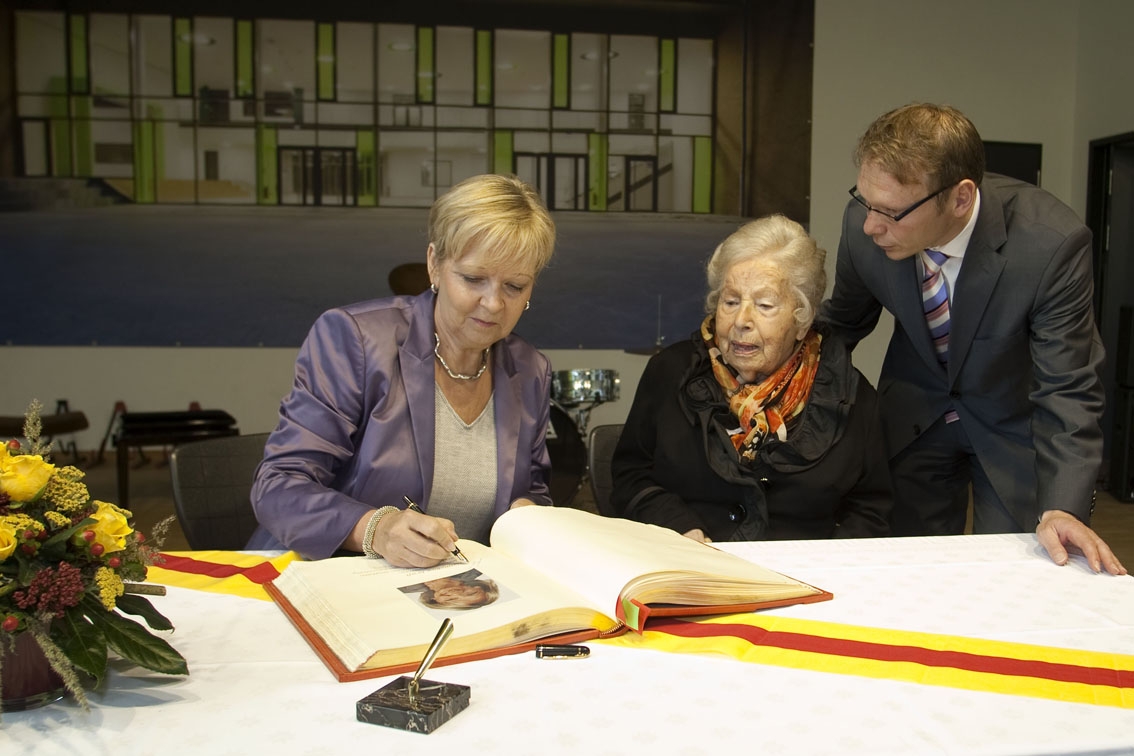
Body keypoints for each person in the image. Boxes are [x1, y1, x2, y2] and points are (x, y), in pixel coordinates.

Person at [821, 102, 1126, 575]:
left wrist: (1063, 506)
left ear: (961, 199)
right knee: (907, 569)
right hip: (915, 417)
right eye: (865, 201)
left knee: (1017, 570)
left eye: (892, 212)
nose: (870, 225)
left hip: (1011, 424)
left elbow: (1068, 387)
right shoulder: (865, 226)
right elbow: (843, 323)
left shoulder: (1050, 245)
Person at [247, 174, 557, 567]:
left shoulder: (530, 370)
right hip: (328, 576)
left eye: (514, 286)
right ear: (434, 265)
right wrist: (375, 528)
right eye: (473, 279)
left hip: (459, 588)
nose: (494, 303)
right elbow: (279, 485)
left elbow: (532, 490)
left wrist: (527, 516)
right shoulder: (355, 340)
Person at [610, 215, 892, 542]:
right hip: (690, 562)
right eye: (730, 301)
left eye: (764, 305)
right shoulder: (671, 372)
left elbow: (871, 509)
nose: (741, 320)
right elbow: (631, 476)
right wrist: (678, 526)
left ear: (802, 321)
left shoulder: (849, 397)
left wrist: (825, 563)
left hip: (800, 569)